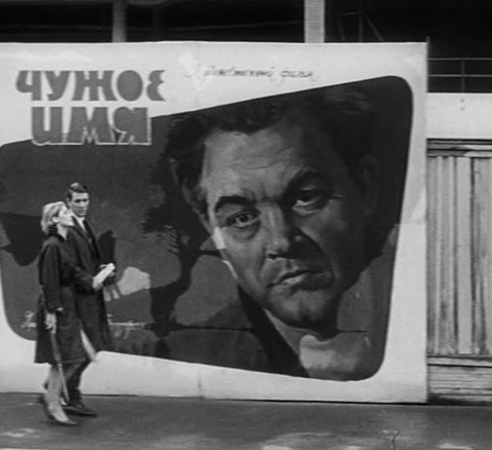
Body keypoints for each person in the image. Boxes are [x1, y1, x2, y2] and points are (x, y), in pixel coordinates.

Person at [162, 85, 394, 380]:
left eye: (306, 198)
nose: (281, 241)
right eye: (242, 218)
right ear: (209, 224)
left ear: (365, 187)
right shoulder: (192, 362)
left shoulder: (422, 311)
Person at [34, 201, 107, 426]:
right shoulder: (52, 245)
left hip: (67, 304)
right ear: (55, 220)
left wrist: (94, 280)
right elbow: (49, 280)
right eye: (65, 212)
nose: (70, 214)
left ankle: (51, 395)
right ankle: (53, 403)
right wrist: (51, 311)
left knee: (72, 357)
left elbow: (74, 272)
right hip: (58, 306)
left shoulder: (63, 244)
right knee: (65, 358)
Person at [63, 182, 113, 416]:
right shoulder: (68, 228)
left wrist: (101, 270)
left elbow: (86, 260)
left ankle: (61, 390)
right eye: (78, 201)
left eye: (85, 201)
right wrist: (90, 280)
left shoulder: (83, 225)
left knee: (91, 345)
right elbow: (70, 266)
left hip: (90, 297)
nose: (82, 205)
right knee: (84, 348)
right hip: (79, 298)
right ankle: (64, 392)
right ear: (68, 202)